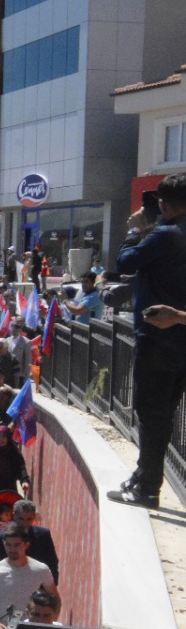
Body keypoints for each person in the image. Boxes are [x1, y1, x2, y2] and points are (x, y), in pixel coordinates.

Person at [109, 173, 186, 507]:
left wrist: (136, 230)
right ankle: (145, 476)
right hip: (181, 341)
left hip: (157, 339)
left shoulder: (167, 235)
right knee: (164, 412)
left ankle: (147, 487)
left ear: (164, 205)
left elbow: (125, 262)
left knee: (150, 412)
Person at [0, 526, 54, 629]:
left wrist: (50, 624)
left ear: (26, 545)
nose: (12, 549)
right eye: (8, 544)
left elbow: (55, 599)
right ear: (3, 544)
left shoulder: (41, 569)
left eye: (17, 545)